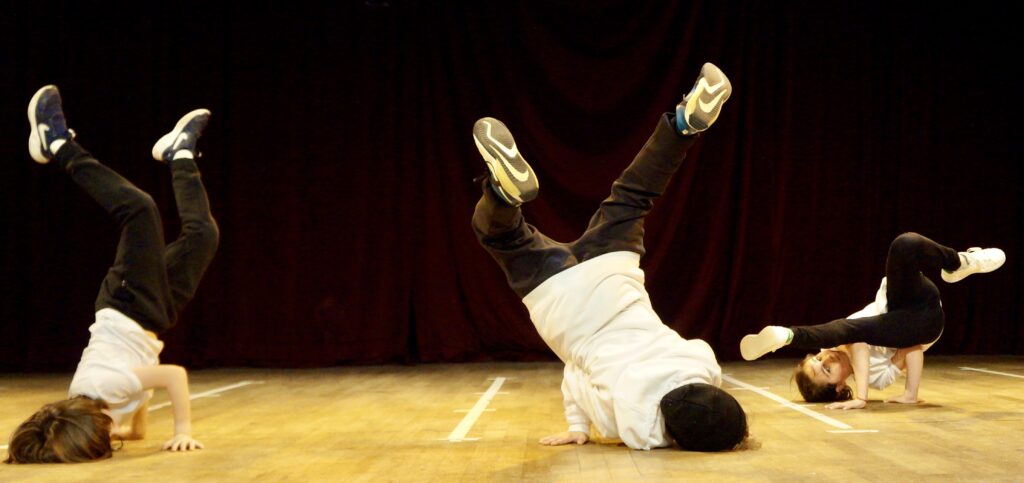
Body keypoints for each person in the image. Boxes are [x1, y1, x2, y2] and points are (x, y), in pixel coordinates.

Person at [471, 63, 748, 451]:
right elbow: (577, 374)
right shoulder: (624, 418)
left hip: (614, 275)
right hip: (562, 303)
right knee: (500, 235)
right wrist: (577, 426)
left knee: (633, 196)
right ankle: (501, 195)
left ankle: (684, 123)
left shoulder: (701, 364)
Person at [6, 85, 219, 463]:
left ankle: (57, 145)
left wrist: (182, 431)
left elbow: (173, 377)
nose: (109, 435)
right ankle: (180, 154)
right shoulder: (99, 403)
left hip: (127, 302)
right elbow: (135, 415)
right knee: (203, 236)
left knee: (138, 210)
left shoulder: (104, 387)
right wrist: (133, 430)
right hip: (154, 314)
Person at [740, 232, 1005, 409]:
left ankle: (958, 262)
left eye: (817, 360)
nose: (826, 360)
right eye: (827, 371)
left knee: (905, 244)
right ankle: (788, 336)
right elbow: (913, 351)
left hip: (903, 300)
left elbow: (863, 343)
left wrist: (865, 389)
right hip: (926, 323)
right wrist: (906, 395)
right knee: (854, 333)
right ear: (841, 386)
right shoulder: (876, 379)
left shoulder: (832, 339)